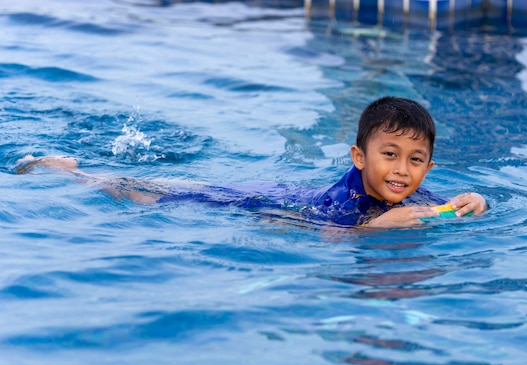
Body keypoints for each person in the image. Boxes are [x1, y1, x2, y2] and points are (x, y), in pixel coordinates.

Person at [15, 96, 487, 228]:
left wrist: (472, 202)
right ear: (359, 157)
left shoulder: (412, 193)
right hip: (264, 204)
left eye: (416, 160)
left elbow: (449, 208)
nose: (403, 169)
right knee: (153, 194)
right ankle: (66, 171)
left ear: (428, 168)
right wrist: (380, 227)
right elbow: (329, 236)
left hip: (289, 196)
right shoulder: (350, 198)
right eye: (389, 155)